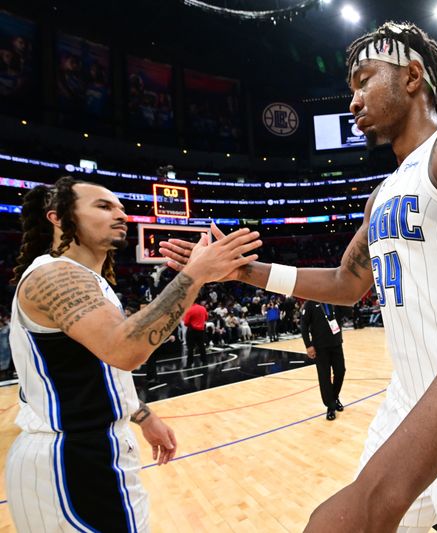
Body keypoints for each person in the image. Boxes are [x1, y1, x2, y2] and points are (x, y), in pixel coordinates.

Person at [161, 21, 437, 533]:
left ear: (413, 76)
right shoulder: (384, 194)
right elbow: (347, 284)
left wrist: (381, 493)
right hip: (407, 403)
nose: (352, 100)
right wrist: (247, 271)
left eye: (364, 80)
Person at [6, 176, 261, 532]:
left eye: (122, 208)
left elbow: (97, 367)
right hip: (72, 460)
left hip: (90, 451)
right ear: (58, 218)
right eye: (103, 206)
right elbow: (124, 349)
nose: (121, 214)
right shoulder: (55, 275)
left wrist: (141, 415)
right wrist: (196, 272)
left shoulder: (86, 280)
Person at [300, 300, 346, 421]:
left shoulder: (334, 298)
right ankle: (330, 407)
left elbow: (346, 313)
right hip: (320, 347)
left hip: (336, 343)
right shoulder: (310, 303)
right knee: (324, 376)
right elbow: (303, 324)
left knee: (340, 371)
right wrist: (308, 345)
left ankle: (334, 397)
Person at [183, 296, 208, 366]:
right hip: (201, 331)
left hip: (192, 331)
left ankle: (189, 364)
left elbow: (186, 323)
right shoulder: (203, 308)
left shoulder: (190, 309)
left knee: (190, 348)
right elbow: (206, 318)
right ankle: (204, 361)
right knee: (202, 346)